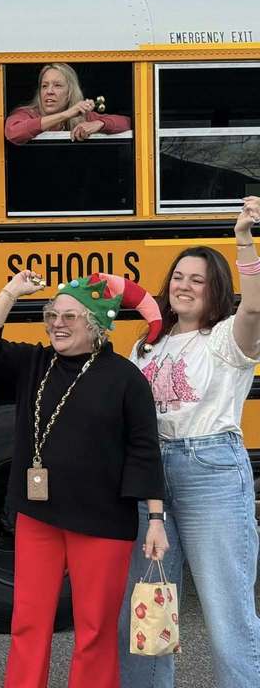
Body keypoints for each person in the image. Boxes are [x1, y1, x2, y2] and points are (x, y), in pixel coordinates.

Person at [0, 271, 168, 688]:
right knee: (28, 622)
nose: (57, 323)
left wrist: (156, 519)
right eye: (52, 315)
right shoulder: (35, 363)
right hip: (38, 517)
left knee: (94, 630)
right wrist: (10, 292)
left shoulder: (126, 378)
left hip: (103, 523)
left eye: (69, 316)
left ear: (95, 324)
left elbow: (144, 451)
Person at [118, 198, 260, 688]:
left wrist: (243, 240)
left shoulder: (226, 339)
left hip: (210, 469)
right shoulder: (145, 345)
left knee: (226, 612)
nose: (183, 285)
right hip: (150, 476)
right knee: (148, 609)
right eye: (178, 277)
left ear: (215, 289)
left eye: (197, 280)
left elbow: (254, 306)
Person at [4, 63, 131, 144]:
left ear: (70, 92)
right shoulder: (27, 113)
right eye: (44, 86)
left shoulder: (82, 116)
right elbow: (13, 132)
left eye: (57, 85)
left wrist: (99, 124)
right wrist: (67, 114)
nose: (49, 91)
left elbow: (127, 122)